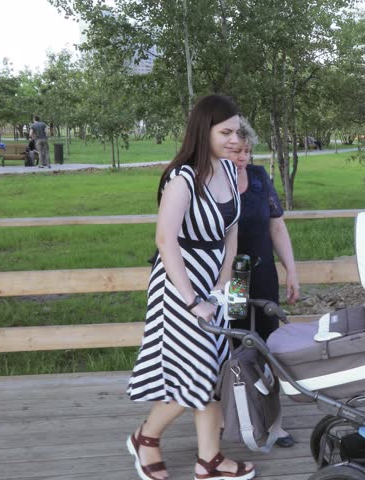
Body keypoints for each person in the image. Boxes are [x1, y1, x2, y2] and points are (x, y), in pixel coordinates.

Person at [126, 95, 255, 480]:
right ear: (205, 131)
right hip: (180, 285)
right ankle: (145, 439)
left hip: (217, 281)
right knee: (197, 370)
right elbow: (165, 240)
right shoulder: (182, 178)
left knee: (214, 368)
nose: (235, 139)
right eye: (226, 132)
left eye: (238, 132)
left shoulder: (230, 172)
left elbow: (232, 234)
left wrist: (225, 284)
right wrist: (194, 300)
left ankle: (209, 461)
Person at [228, 118, 300, 448]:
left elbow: (277, 228)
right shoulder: (211, 182)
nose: (242, 157)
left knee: (268, 347)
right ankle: (226, 422)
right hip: (230, 281)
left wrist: (292, 270)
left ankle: (275, 424)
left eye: (247, 151)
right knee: (230, 347)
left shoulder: (259, 179)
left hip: (263, 275)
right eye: (235, 151)